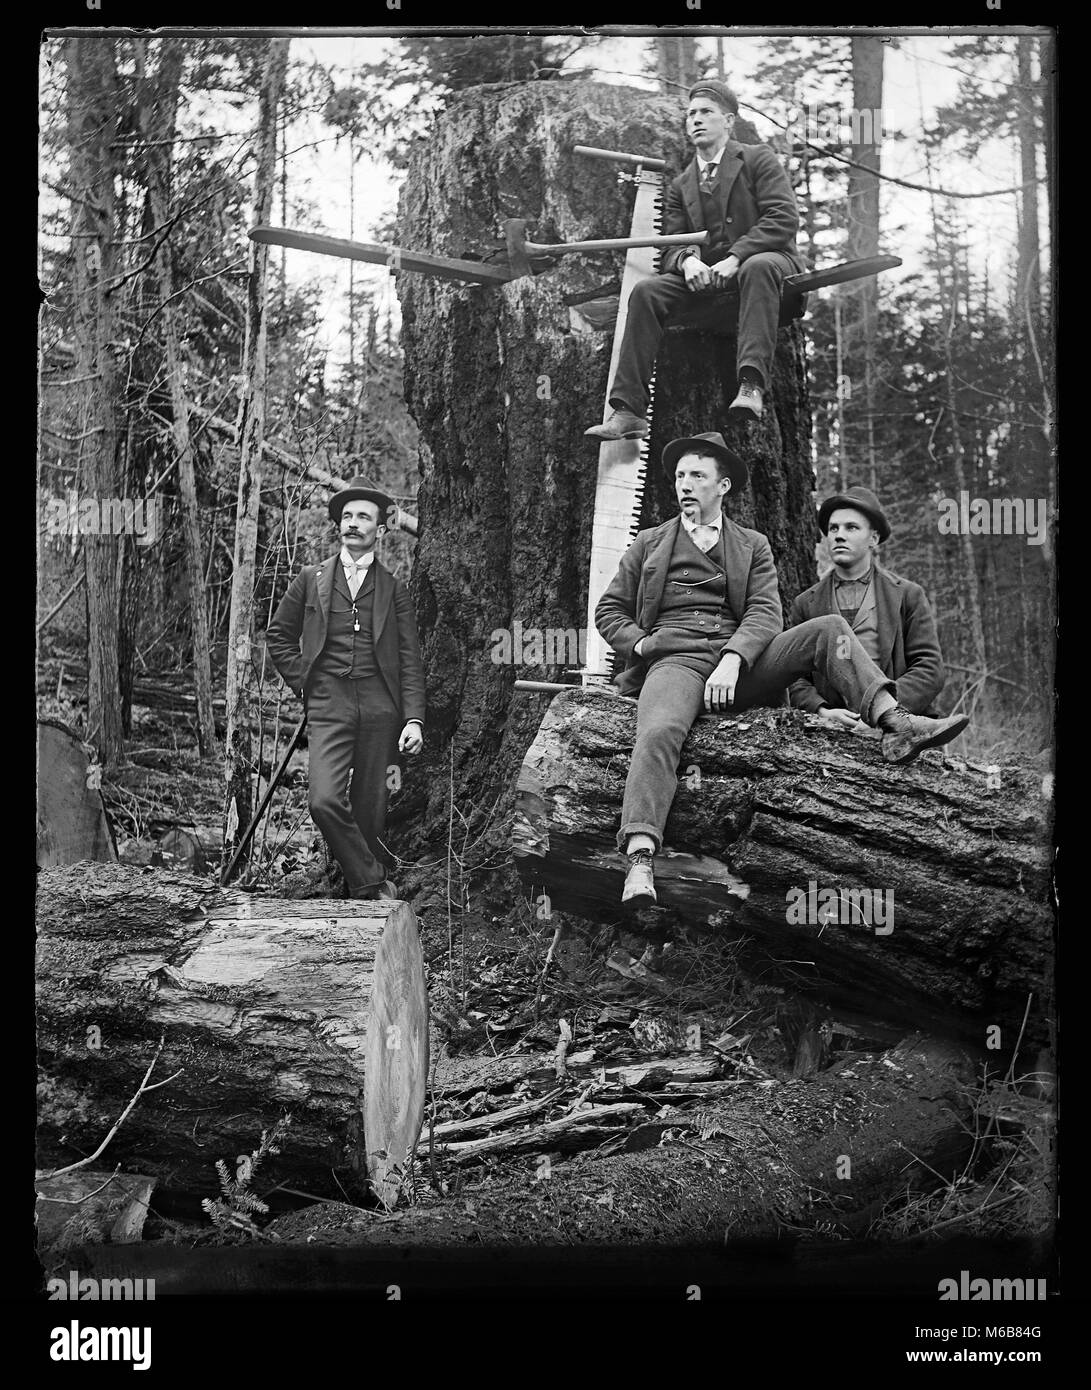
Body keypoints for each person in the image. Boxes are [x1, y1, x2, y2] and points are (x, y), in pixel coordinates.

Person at [594, 433, 970, 907]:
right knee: (660, 729)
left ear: (723, 485)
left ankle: (898, 722)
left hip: (742, 664)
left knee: (828, 627)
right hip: (677, 662)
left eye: (697, 475)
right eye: (679, 476)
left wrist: (734, 657)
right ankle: (641, 859)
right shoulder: (649, 542)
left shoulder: (753, 545)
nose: (685, 485)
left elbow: (766, 613)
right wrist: (643, 643)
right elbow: (609, 609)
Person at [585, 78, 805, 440]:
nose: (696, 120)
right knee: (646, 292)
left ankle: (750, 386)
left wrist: (735, 257)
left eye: (706, 112)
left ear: (729, 121)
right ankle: (628, 412)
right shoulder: (681, 185)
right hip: (711, 285)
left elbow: (782, 218)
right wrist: (689, 261)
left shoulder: (756, 158)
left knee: (758, 265)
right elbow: (671, 244)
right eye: (690, 114)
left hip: (769, 269)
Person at [265, 478, 426, 899]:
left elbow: (409, 659)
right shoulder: (309, 579)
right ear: (339, 524)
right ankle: (372, 881)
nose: (353, 524)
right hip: (329, 702)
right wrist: (306, 681)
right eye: (348, 516)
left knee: (372, 808)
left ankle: (362, 905)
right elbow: (278, 636)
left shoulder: (394, 589)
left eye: (364, 517)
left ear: (381, 528)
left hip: (380, 708)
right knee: (323, 799)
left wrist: (413, 718)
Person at [787, 486, 945, 728]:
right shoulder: (805, 604)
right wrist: (822, 711)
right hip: (832, 729)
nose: (839, 535)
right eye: (833, 528)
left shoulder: (907, 595)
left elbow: (929, 669)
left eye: (851, 527)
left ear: (874, 538)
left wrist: (886, 710)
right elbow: (795, 678)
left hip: (897, 724)